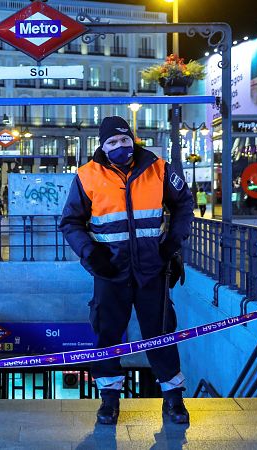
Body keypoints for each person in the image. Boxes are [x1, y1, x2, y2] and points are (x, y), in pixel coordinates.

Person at [60, 116, 194, 426]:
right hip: (110, 271)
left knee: (161, 333)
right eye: (112, 142)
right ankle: (109, 401)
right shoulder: (86, 176)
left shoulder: (159, 169)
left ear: (132, 140)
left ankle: (173, 398)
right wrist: (91, 254)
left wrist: (171, 243)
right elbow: (70, 222)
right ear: (102, 146)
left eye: (124, 140)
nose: (120, 146)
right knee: (107, 334)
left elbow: (184, 204)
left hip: (152, 269)